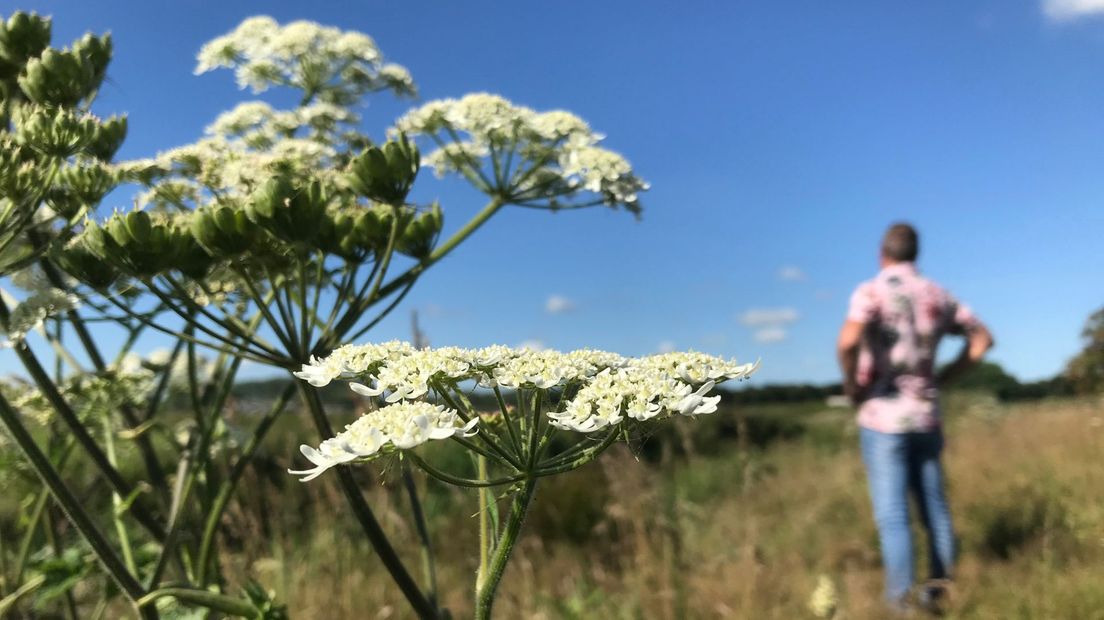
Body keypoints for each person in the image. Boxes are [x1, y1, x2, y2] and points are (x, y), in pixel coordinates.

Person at [836, 222, 994, 614]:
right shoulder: (938, 295)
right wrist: (947, 376)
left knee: (894, 516)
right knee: (935, 509)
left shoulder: (871, 291)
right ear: (915, 254)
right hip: (926, 415)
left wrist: (853, 385)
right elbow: (982, 339)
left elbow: (849, 340)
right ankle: (937, 595)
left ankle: (901, 605)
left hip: (882, 418)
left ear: (882, 253)